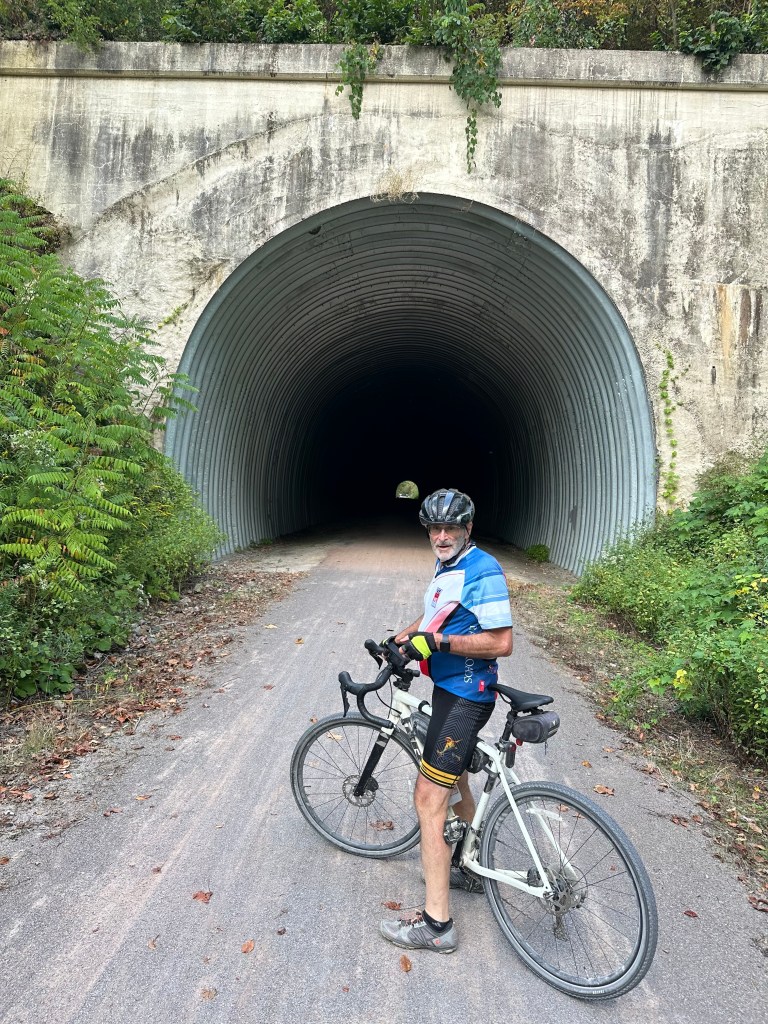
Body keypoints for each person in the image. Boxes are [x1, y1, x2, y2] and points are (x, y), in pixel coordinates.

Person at [379, 487, 513, 954]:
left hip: (466, 697)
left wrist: (436, 644)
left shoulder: (483, 570)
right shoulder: (450, 565)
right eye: (434, 528)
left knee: (428, 798)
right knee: (455, 781)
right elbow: (437, 615)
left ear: (467, 529)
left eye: (450, 528)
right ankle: (470, 866)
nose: (441, 536)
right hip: (449, 691)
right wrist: (400, 639)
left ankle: (437, 925)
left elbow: (501, 642)